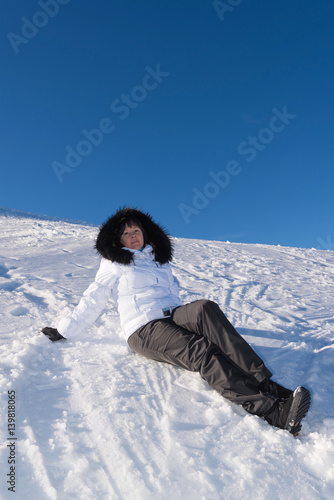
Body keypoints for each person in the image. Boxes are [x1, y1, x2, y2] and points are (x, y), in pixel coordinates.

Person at [42, 207, 311, 435]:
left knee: (205, 309)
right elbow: (93, 299)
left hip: (172, 315)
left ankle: (267, 385)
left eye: (136, 230)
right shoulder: (114, 264)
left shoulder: (157, 261)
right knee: (202, 351)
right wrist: (65, 330)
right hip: (144, 328)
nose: (133, 236)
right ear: (118, 239)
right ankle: (272, 412)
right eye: (126, 233)